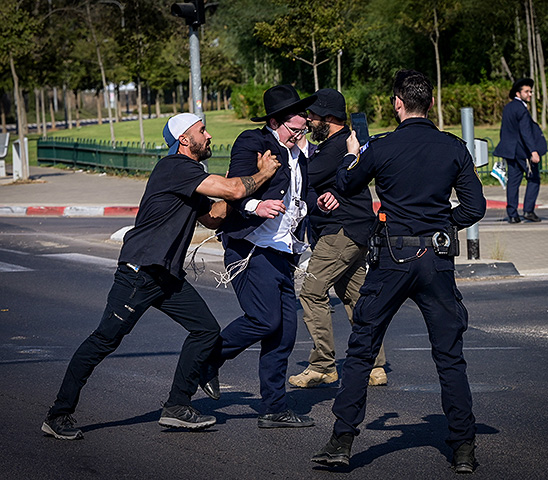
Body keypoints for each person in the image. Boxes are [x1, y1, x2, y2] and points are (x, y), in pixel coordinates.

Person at [41, 113, 281, 440]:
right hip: (140, 272)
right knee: (104, 341)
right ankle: (59, 414)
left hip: (166, 276)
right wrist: (260, 174)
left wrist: (237, 191)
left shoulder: (190, 177)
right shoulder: (174, 168)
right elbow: (233, 190)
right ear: (184, 139)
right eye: (202, 131)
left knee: (206, 330)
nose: (208, 136)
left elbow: (213, 217)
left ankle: (176, 406)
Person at [311, 70, 486, 474]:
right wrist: (444, 225)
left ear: (397, 103)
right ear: (428, 103)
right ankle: (463, 448)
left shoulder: (383, 147)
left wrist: (354, 153)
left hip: (393, 258)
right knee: (449, 356)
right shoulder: (454, 147)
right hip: (437, 260)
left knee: (361, 351)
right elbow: (475, 208)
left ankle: (341, 442)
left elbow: (346, 183)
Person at [199, 85, 339, 428]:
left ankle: (274, 409)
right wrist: (254, 205)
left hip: (282, 250)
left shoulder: (299, 156)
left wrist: (322, 199)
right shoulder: (253, 143)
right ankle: (205, 361)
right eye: (294, 129)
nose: (300, 133)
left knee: (284, 333)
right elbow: (235, 185)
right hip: (250, 247)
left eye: (303, 128)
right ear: (274, 122)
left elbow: (303, 194)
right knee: (264, 320)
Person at [288, 88, 387, 389]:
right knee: (356, 298)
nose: (307, 121)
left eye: (313, 116)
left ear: (328, 118)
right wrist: (321, 195)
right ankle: (374, 366)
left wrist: (295, 150)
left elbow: (303, 179)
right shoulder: (339, 145)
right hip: (355, 233)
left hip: (339, 234)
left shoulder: (335, 148)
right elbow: (315, 186)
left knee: (310, 292)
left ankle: (322, 366)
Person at [493, 78, 547, 223]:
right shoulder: (521, 109)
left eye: (531, 91)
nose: (530, 94)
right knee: (534, 179)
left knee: (513, 182)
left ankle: (512, 214)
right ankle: (528, 210)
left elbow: (506, 130)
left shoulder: (508, 107)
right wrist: (533, 151)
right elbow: (525, 132)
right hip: (523, 152)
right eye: (526, 91)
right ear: (518, 93)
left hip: (510, 151)